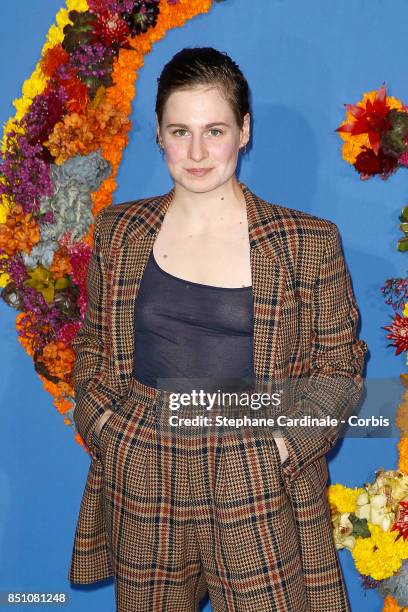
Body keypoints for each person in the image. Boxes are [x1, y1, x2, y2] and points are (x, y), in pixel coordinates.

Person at [69, 47, 368, 611]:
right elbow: (92, 346)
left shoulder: (306, 242)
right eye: (180, 131)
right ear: (158, 132)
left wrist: (278, 448)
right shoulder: (119, 232)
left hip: (252, 468)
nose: (198, 152)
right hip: (144, 466)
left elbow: (340, 372)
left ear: (244, 131)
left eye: (215, 130)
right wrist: (108, 427)